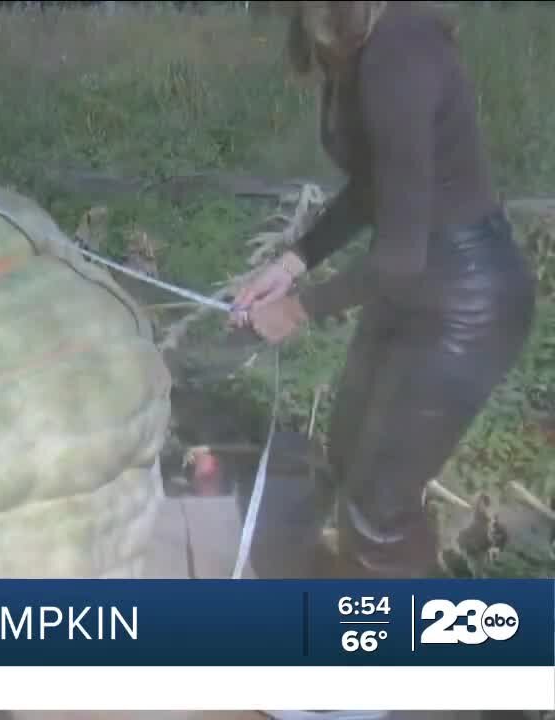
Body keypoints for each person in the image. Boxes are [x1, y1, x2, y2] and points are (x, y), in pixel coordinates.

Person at [230, 1, 536, 578]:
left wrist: (300, 308)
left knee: (377, 508)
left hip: (465, 303)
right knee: (347, 463)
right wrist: (293, 262)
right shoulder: (356, 41)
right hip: (416, 287)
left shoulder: (399, 44)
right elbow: (376, 187)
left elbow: (399, 257)